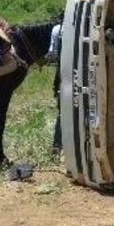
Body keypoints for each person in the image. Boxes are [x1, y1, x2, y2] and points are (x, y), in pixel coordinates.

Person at [48, 19, 63, 151]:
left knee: (62, 112)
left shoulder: (57, 29)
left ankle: (57, 144)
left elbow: (53, 54)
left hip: (62, 74)